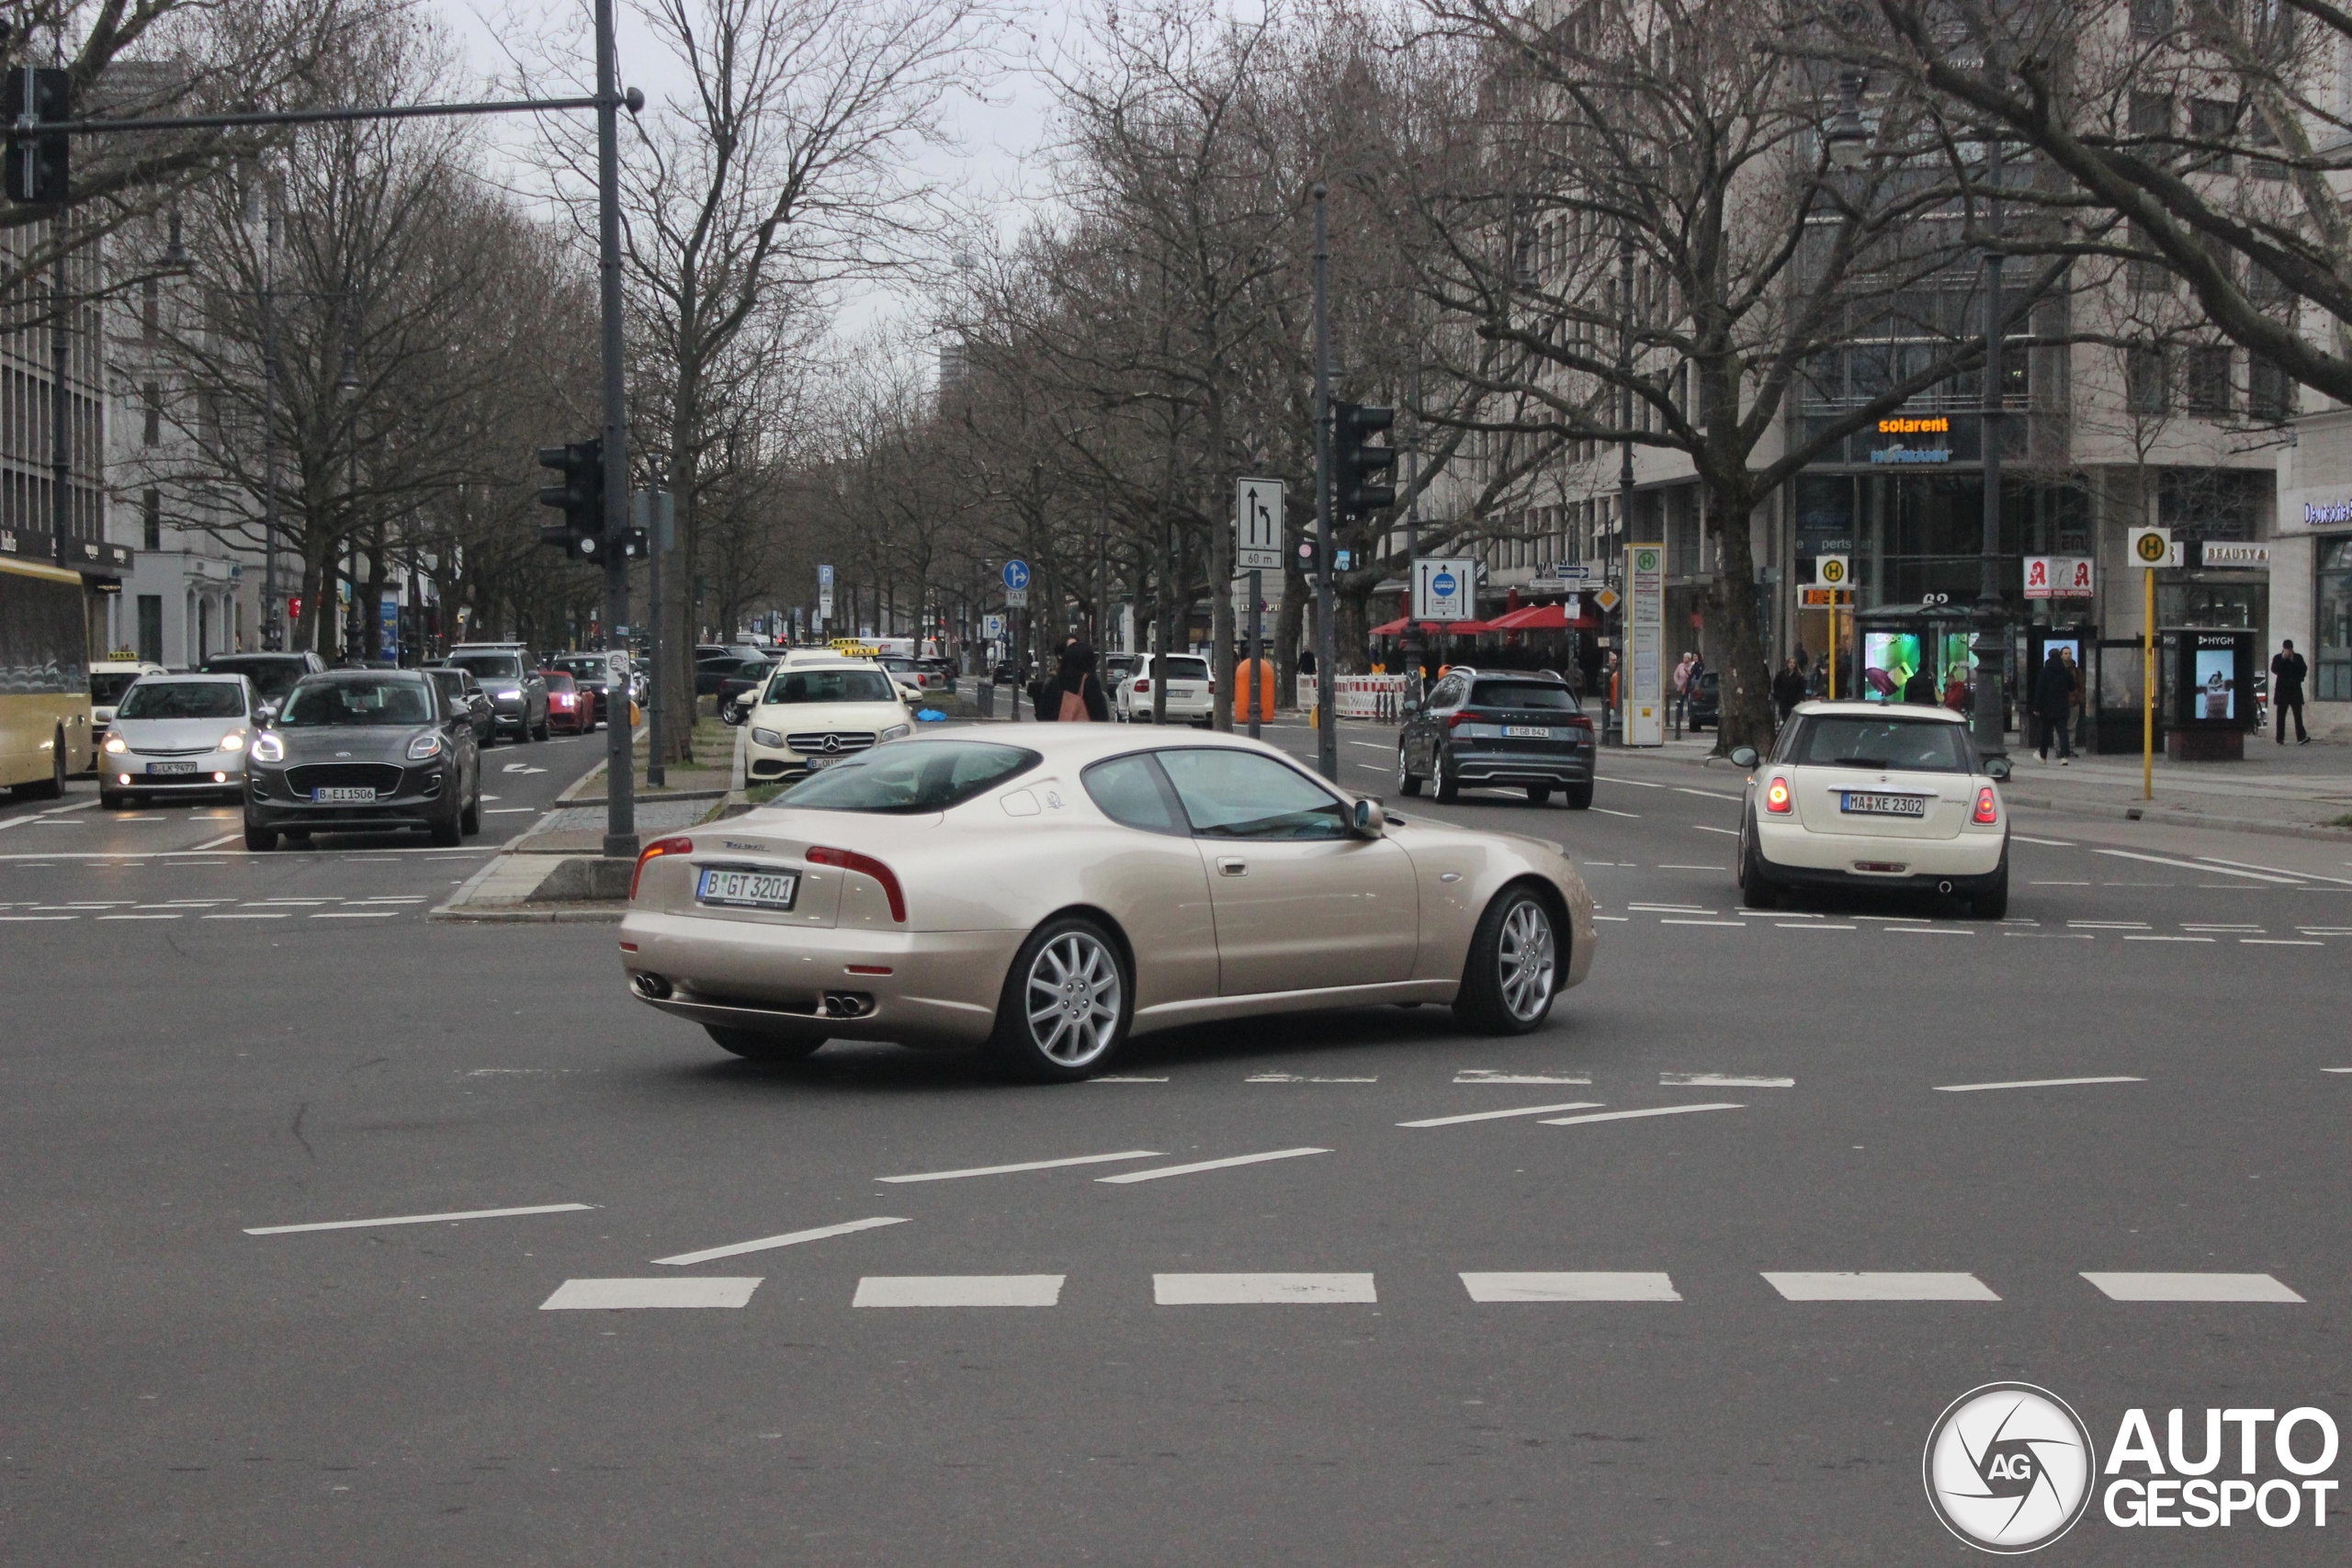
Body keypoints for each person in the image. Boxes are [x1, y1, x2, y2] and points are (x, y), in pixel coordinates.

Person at [1037, 640, 1110, 723]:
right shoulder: (1089, 682)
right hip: (1084, 732)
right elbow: (1100, 716)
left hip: (1055, 731)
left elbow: (1043, 713)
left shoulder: (1054, 681)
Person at [2032, 645, 2075, 763]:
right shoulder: (2065, 671)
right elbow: (2072, 686)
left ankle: (2043, 756)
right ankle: (2064, 757)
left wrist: (2037, 707)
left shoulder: (2045, 672)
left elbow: (2039, 690)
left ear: (2049, 656)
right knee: (2063, 732)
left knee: (2045, 733)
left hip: (2047, 708)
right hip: (2062, 707)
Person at [2273, 637, 2310, 744]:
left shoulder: (2298, 658)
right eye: (2286, 649)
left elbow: (2303, 670)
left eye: (2289, 649)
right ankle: (2279, 739)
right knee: (2280, 716)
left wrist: (2293, 660)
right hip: (2282, 691)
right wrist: (2284, 659)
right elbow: (2275, 669)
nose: (2288, 651)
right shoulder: (2278, 658)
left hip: (2295, 690)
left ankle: (2301, 737)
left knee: (2298, 715)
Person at [1770, 656, 1807, 723]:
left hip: (1794, 701)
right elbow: (1776, 685)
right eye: (1790, 662)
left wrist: (1801, 699)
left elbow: (1802, 689)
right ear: (1787, 664)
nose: (1792, 664)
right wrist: (1778, 696)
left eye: (1794, 663)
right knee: (1785, 718)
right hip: (1784, 701)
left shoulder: (1799, 676)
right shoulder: (1781, 674)